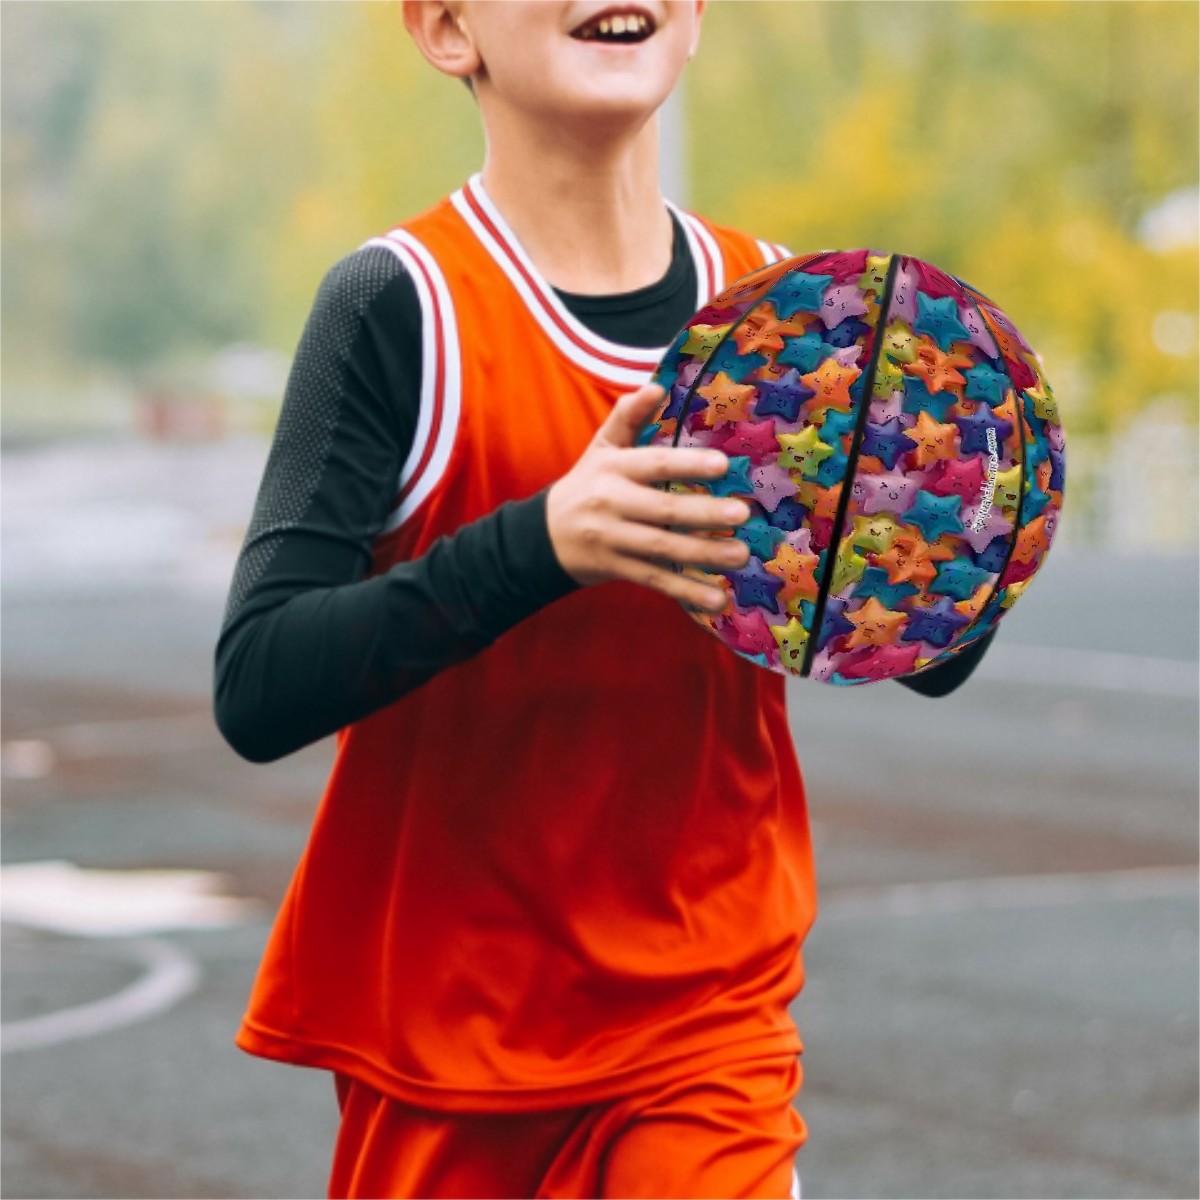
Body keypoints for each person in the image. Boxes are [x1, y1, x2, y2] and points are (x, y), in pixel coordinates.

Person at [213, 2, 993, 1196]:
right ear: (444, 29)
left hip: (706, 1014)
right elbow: (258, 683)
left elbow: (929, 654)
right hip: (448, 1031)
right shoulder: (398, 305)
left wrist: (963, 521)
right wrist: (541, 544)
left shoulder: (786, 318)